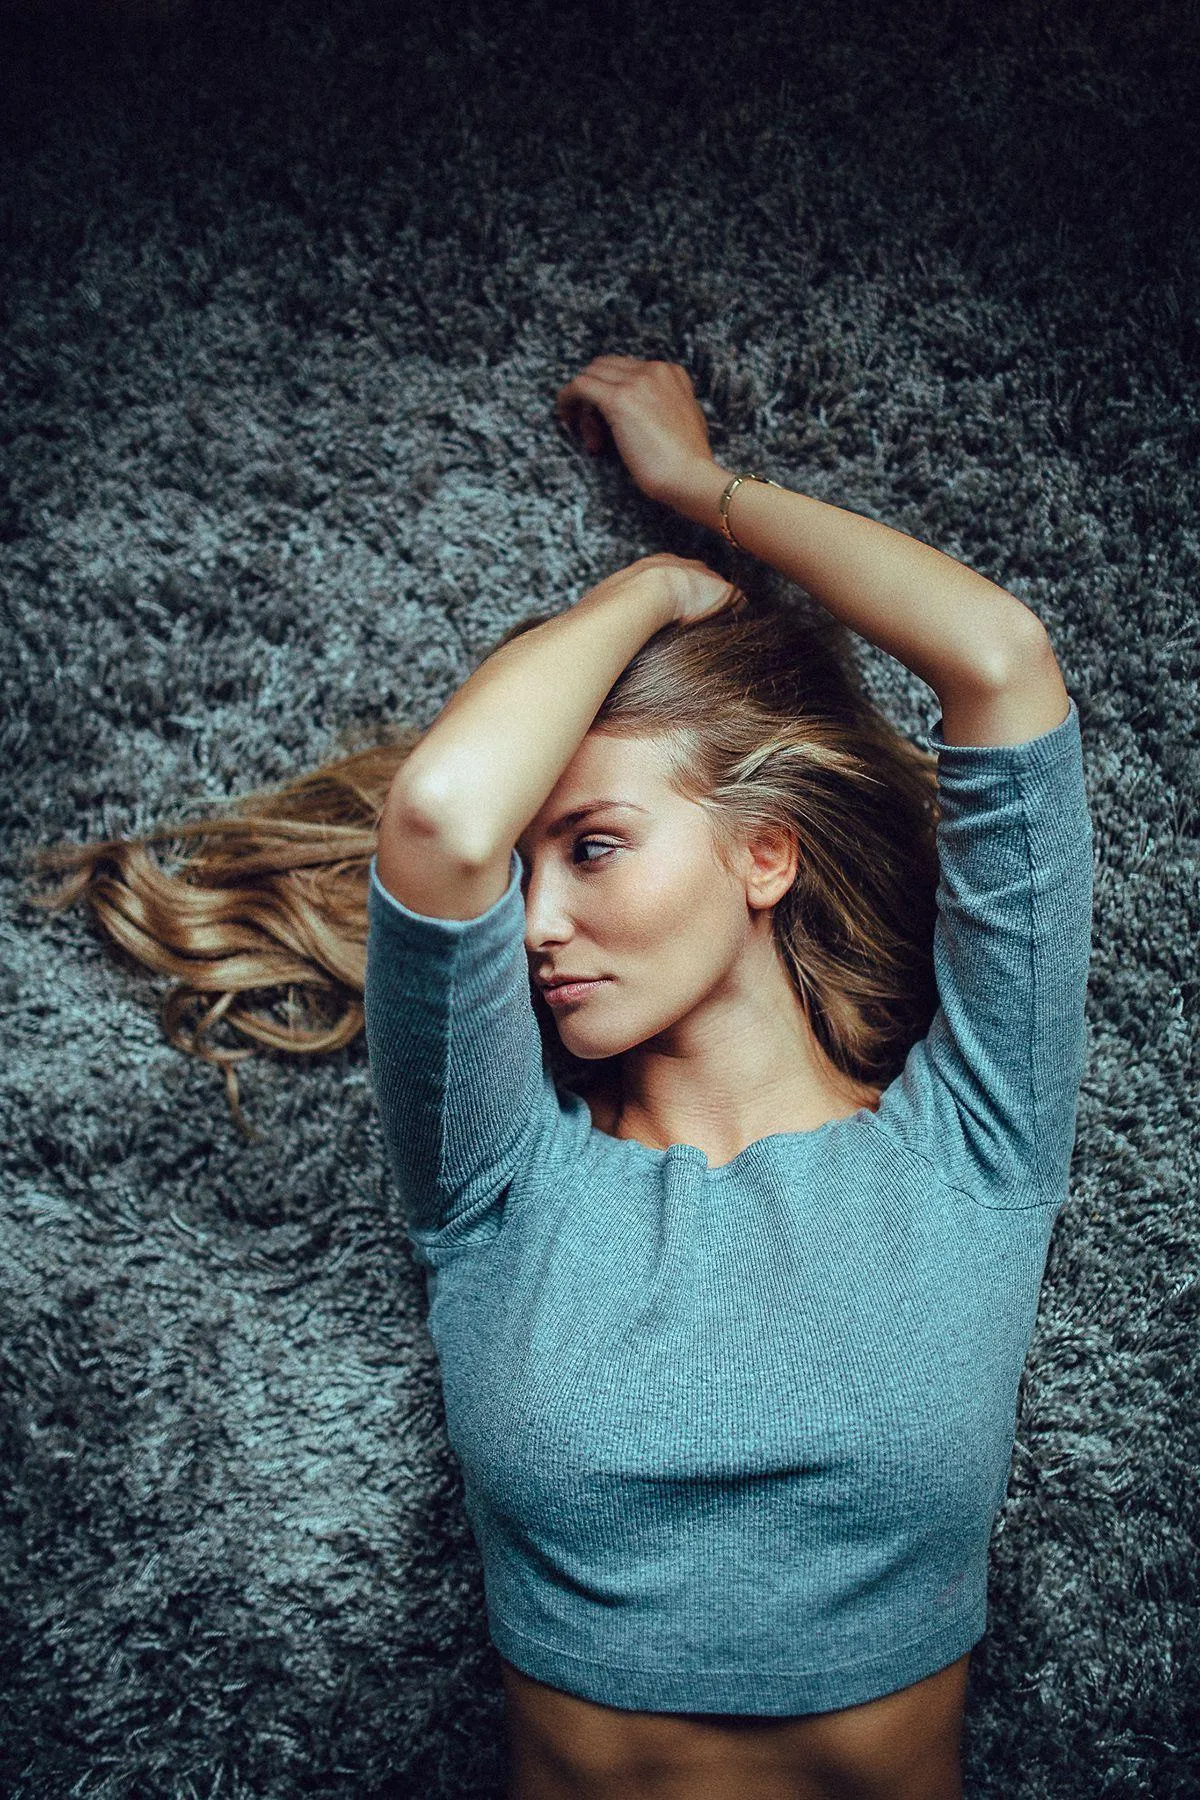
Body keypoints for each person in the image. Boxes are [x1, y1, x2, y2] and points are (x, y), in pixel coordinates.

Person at [29, 356, 1094, 1800]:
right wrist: (638, 595)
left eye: (591, 848)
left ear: (763, 853)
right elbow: (447, 818)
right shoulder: (497, 1182)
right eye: (530, 872)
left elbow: (1001, 657)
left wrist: (700, 496)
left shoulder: (978, 1142)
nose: (532, 922)